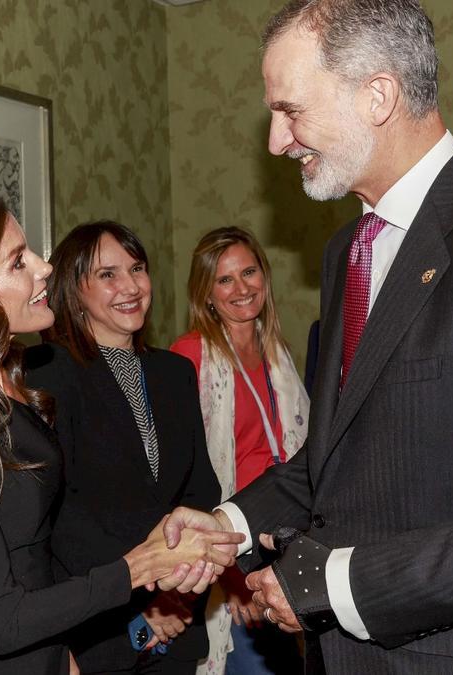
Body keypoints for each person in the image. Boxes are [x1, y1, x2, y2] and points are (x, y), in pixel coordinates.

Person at [161, 1, 453, 672]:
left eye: (290, 110)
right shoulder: (347, 252)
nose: (276, 140)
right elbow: (340, 457)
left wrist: (338, 583)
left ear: (378, 95)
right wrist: (229, 525)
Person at [0, 192, 241, 674]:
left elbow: (32, 561)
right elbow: (2, 618)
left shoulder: (2, 387)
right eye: (18, 262)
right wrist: (140, 567)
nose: (44, 267)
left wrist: (66, 657)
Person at [25, 221, 223, 674]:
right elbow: (59, 517)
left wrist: (178, 592)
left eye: (137, 268)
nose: (130, 286)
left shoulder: (175, 373)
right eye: (108, 275)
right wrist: (140, 601)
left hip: (180, 619)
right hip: (97, 630)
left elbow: (200, 492)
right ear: (75, 291)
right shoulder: (49, 375)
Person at [170, 227, 308, 674]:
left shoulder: (279, 356)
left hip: (286, 544)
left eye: (249, 272)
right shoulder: (189, 357)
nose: (242, 288)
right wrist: (230, 579)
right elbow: (184, 484)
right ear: (206, 293)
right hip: (231, 554)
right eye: (225, 279)